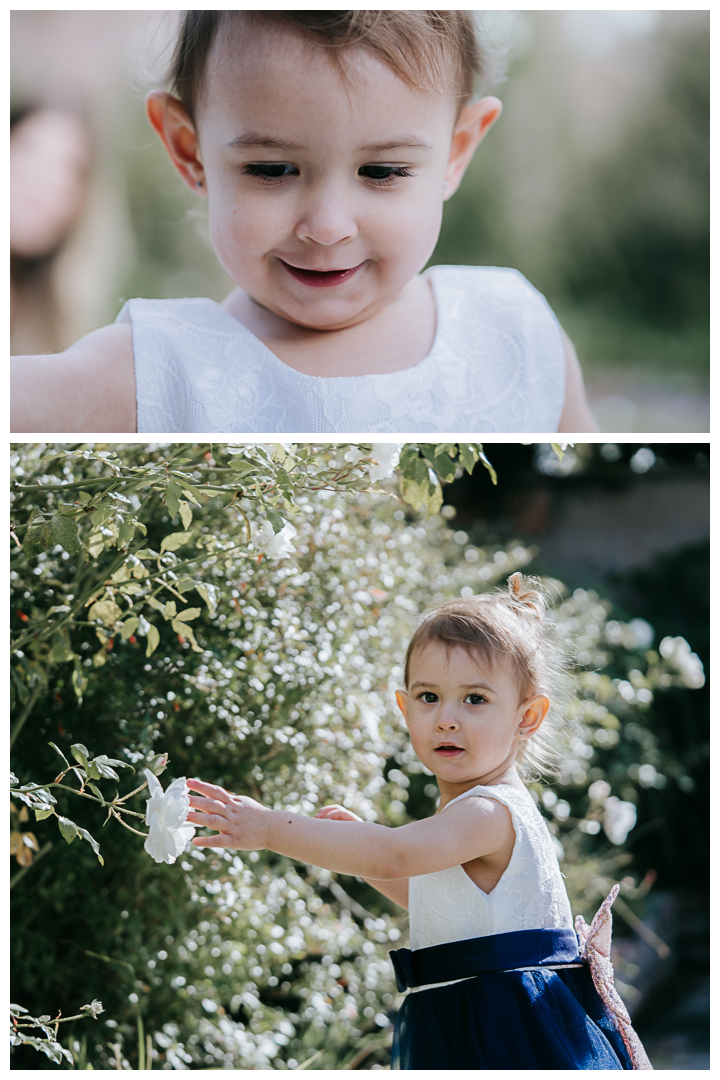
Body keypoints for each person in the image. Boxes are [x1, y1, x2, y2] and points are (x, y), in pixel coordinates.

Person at [11, 11, 598, 435]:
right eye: (272, 168)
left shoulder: (513, 331)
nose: (328, 226)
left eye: (384, 171)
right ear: (191, 152)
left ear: (456, 153)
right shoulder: (154, 373)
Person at [186, 573, 649, 1069]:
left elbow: (395, 854)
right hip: (464, 1016)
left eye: (475, 699)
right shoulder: (465, 813)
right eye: (429, 697)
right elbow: (428, 895)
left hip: (503, 1027)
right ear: (405, 708)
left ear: (527, 716)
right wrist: (357, 850)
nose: (447, 718)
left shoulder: (487, 811)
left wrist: (271, 828)